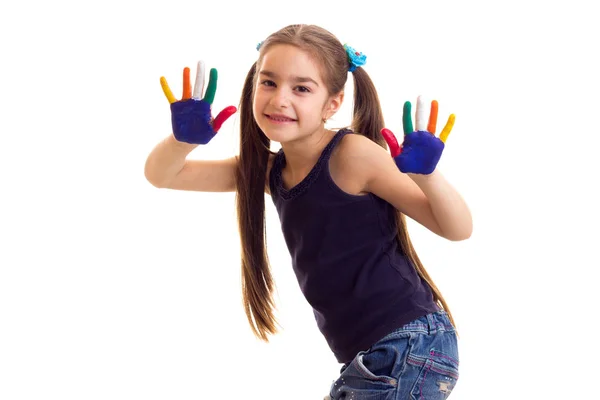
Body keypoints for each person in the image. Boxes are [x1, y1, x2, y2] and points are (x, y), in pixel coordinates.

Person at [144, 23, 472, 400]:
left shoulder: (352, 156)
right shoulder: (268, 171)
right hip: (373, 355)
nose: (279, 99)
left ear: (332, 103)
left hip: (406, 345)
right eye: (268, 83)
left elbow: (457, 228)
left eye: (301, 88)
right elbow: (164, 175)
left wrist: (427, 176)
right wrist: (180, 141)